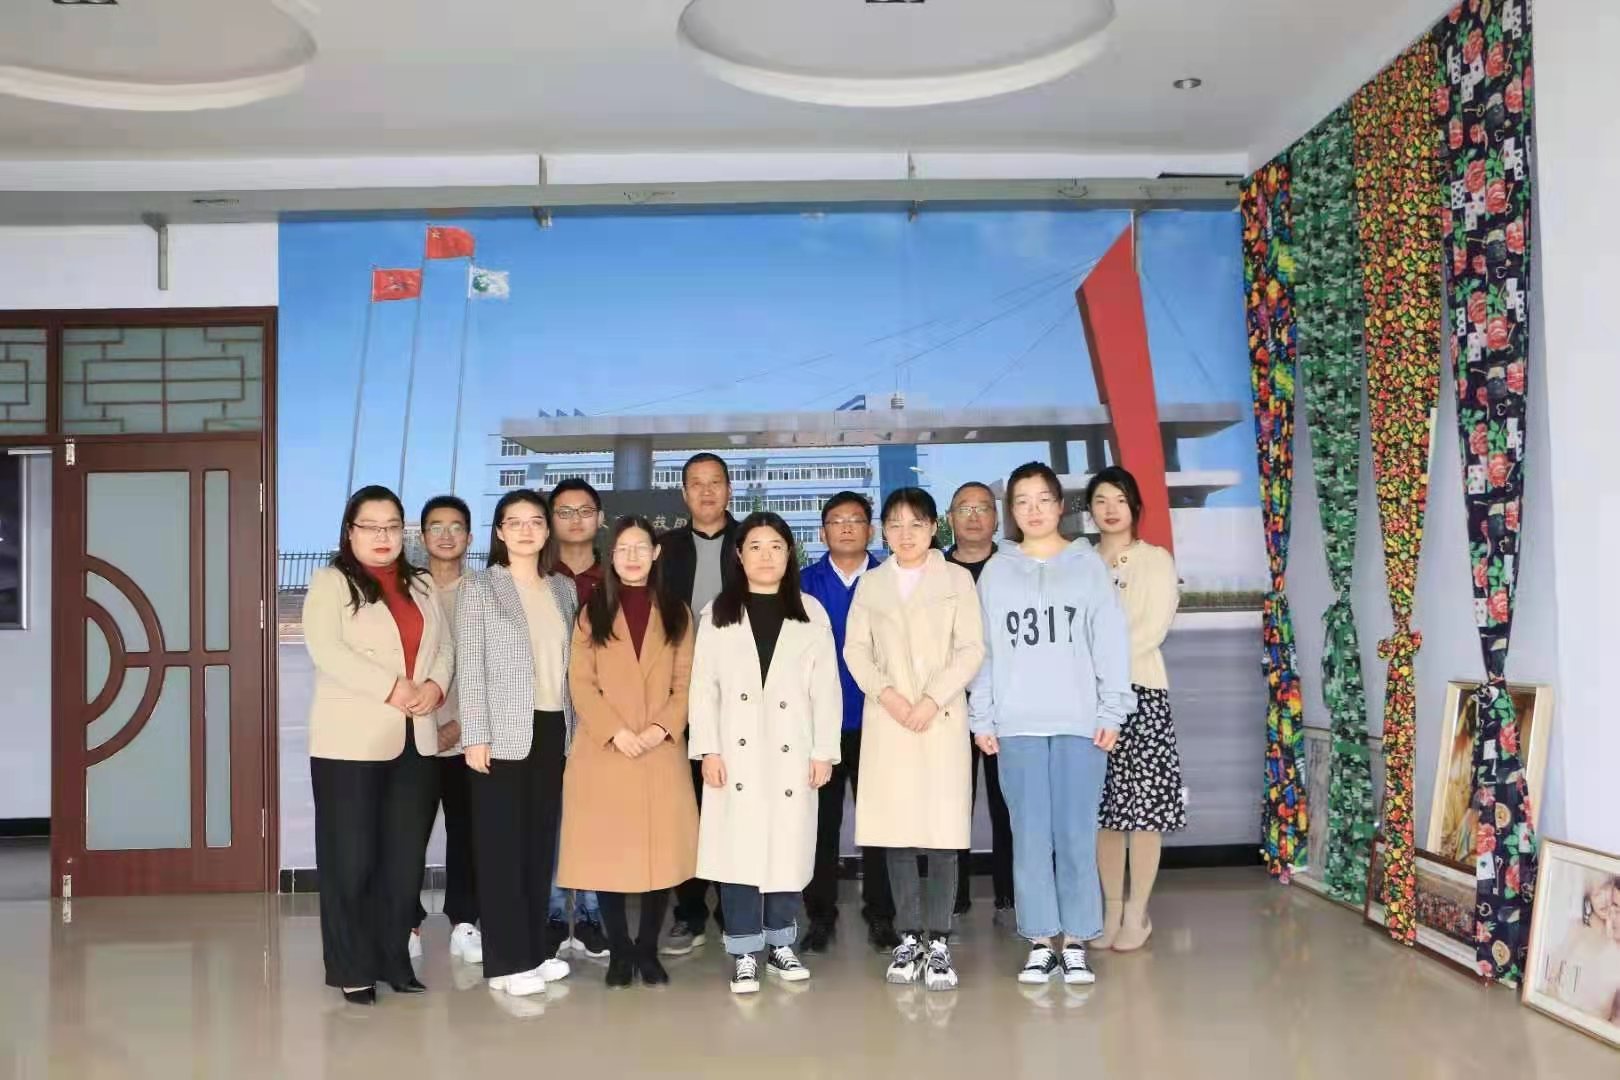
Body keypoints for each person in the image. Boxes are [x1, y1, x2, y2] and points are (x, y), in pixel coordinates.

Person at [968, 462, 1134, 987]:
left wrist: (1112, 710)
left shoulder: (1087, 567)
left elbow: (1110, 641)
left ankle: (1078, 941)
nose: (1033, 510)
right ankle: (1041, 941)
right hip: (1016, 726)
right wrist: (982, 716)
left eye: (1043, 499)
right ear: (1010, 512)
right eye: (1022, 501)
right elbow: (984, 650)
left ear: (1060, 506)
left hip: (1079, 724)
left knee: (1077, 834)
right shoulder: (997, 572)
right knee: (1029, 837)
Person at [304, 485, 450, 1005]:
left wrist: (434, 687)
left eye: (393, 526)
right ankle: (353, 967)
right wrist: (393, 688)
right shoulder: (331, 582)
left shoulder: (423, 585)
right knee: (351, 860)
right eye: (371, 526)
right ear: (351, 531)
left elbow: (445, 647)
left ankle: (394, 960)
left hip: (416, 739)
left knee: (403, 861)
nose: (384, 536)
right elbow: (326, 649)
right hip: (350, 744)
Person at [688, 512, 841, 994]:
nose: (765, 555)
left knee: (787, 849)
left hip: (793, 750)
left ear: (789, 553)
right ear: (739, 555)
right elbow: (703, 688)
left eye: (775, 545)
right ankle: (742, 950)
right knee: (737, 852)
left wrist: (824, 751)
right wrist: (708, 749)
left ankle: (780, 943)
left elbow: (826, 689)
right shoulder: (717, 612)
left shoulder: (811, 612)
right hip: (735, 754)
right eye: (754, 546)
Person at [845, 488, 985, 991]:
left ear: (933, 528)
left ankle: (940, 940)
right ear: (883, 531)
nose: (905, 534)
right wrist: (889, 697)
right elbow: (856, 650)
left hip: (940, 718)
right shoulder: (872, 582)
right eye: (895, 525)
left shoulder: (957, 579)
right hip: (889, 720)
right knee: (897, 833)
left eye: (916, 524)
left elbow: (971, 649)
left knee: (944, 834)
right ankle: (907, 936)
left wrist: (930, 700)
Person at [557, 516, 697, 987]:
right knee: (608, 855)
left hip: (659, 749)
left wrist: (660, 729)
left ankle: (647, 949)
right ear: (611, 556)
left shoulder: (677, 612)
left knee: (660, 855)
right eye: (623, 549)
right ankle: (620, 951)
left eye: (641, 547)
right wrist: (616, 731)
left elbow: (686, 683)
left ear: (656, 553)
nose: (632, 557)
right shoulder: (591, 612)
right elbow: (581, 683)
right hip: (605, 751)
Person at [456, 489, 579, 998]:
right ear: (500, 532)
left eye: (536, 521)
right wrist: (475, 735)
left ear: (547, 530)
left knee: (538, 844)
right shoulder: (481, 587)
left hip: (552, 729)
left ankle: (533, 952)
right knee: (502, 848)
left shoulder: (563, 589)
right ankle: (506, 962)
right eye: (515, 522)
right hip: (501, 732)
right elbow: (470, 665)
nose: (526, 530)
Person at [1089, 466, 1185, 953]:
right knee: (1103, 812)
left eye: (1120, 500)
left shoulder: (1156, 560)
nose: (1110, 509)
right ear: (1089, 509)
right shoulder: (1079, 561)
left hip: (1141, 693)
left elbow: (1152, 629)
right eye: (1101, 500)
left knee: (1144, 811)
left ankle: (1137, 911)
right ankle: (1109, 909)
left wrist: (1103, 667)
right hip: (1087, 701)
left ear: (1134, 507)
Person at [798, 491, 897, 954]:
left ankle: (881, 914)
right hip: (819, 725)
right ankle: (820, 915)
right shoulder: (803, 584)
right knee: (820, 825)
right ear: (823, 532)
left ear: (870, 531)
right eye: (836, 520)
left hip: (880, 721)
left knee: (880, 824)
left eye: (855, 520)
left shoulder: (890, 580)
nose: (846, 527)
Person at [657, 452, 741, 955]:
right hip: (680, 696)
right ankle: (689, 913)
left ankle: (737, 911)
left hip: (742, 698)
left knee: (735, 803)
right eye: (696, 483)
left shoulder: (751, 541)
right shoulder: (664, 550)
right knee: (686, 806)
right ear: (684, 493)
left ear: (729, 489)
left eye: (715, 482)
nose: (707, 492)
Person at [411, 494, 481, 966]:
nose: (446, 534)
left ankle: (465, 923)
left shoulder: (484, 593)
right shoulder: (407, 591)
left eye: (455, 526)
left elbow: (496, 670)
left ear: (469, 537)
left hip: (467, 738)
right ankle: (407, 923)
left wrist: (459, 726)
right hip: (414, 737)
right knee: (407, 836)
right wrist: (426, 726)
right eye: (436, 526)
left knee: (467, 836)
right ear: (422, 537)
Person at [943, 481, 1015, 922]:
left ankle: (1011, 893)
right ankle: (954, 896)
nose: (973, 516)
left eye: (982, 508)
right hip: (948, 704)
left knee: (1008, 802)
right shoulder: (935, 569)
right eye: (963, 508)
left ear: (996, 517)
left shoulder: (1014, 567)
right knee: (953, 802)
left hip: (1007, 704)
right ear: (949, 518)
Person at [543, 477, 609, 960]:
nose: (575, 520)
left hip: (603, 718)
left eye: (584, 511)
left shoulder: (616, 577)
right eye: (564, 512)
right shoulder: (537, 577)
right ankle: (551, 913)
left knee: (595, 819)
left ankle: (591, 915)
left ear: (599, 518)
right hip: (547, 714)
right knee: (549, 817)